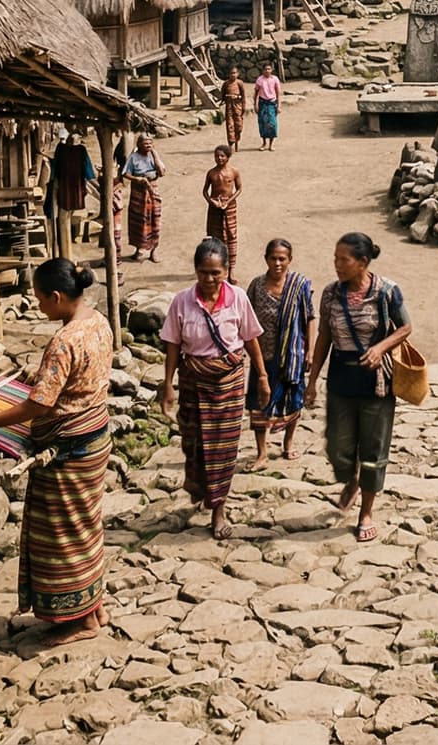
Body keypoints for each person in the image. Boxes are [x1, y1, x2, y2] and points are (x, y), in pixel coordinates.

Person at [0, 258, 111, 644]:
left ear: (56, 296)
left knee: (60, 533)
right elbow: (77, 381)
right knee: (85, 527)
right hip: (95, 439)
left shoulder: (64, 341)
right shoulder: (98, 322)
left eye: (40, 300)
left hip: (68, 449)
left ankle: (81, 622)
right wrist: (37, 377)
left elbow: (40, 405)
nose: (38, 307)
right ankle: (95, 607)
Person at [157, 238, 265, 538]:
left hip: (228, 384)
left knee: (223, 449)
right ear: (195, 271)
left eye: (215, 273)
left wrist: (262, 376)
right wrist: (168, 385)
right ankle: (201, 488)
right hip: (193, 382)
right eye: (203, 272)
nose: (209, 279)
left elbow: (250, 338)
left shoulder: (238, 298)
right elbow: (173, 346)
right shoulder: (182, 302)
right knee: (194, 444)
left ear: (226, 271)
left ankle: (218, 509)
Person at [309, 232, 412, 544]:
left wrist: (380, 348)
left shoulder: (387, 291)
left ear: (363, 262)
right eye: (335, 259)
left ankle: (366, 512)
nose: (337, 265)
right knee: (337, 447)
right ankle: (350, 478)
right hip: (341, 379)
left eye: (344, 260)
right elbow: (324, 336)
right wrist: (311, 381)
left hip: (376, 384)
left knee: (372, 450)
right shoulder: (330, 294)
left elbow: (405, 327)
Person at [247, 238, 314, 466]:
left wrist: (310, 351)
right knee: (259, 401)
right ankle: (262, 452)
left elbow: (310, 317)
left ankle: (288, 443)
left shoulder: (299, 285)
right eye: (273, 258)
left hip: (292, 355)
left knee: (293, 399)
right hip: (262, 354)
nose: (277, 263)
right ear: (266, 259)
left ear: (290, 260)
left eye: (282, 259)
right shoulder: (257, 286)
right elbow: (246, 318)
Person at [121, 134, 163, 261]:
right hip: (138, 192)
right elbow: (125, 173)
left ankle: (153, 251)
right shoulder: (133, 157)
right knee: (138, 220)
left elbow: (162, 172)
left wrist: (155, 154)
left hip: (152, 190)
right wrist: (137, 179)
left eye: (150, 143)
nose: (148, 145)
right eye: (146, 143)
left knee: (155, 220)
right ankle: (138, 249)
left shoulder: (153, 155)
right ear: (139, 145)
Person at [203, 145, 243, 277]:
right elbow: (205, 191)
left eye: (222, 156)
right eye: (216, 156)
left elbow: (239, 189)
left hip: (230, 207)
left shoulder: (234, 171)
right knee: (215, 237)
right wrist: (211, 201)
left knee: (231, 235)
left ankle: (232, 268)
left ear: (228, 157)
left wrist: (228, 201)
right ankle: (219, 266)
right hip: (214, 208)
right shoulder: (211, 173)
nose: (219, 158)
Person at [254, 63, 282, 151]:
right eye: (265, 69)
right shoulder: (260, 80)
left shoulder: (275, 79)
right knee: (262, 123)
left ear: (271, 70)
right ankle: (264, 143)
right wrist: (255, 105)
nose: (267, 71)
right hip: (262, 103)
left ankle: (271, 144)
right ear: (263, 70)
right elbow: (256, 93)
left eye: (269, 69)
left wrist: (279, 105)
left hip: (272, 103)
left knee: (272, 124)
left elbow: (278, 93)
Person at [222, 68, 247, 152]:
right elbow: (222, 95)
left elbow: (243, 95)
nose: (233, 75)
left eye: (234, 73)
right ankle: (230, 144)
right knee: (230, 125)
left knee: (238, 125)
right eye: (231, 73)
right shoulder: (226, 83)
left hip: (238, 106)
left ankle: (237, 141)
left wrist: (243, 106)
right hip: (229, 106)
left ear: (238, 74)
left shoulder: (240, 83)